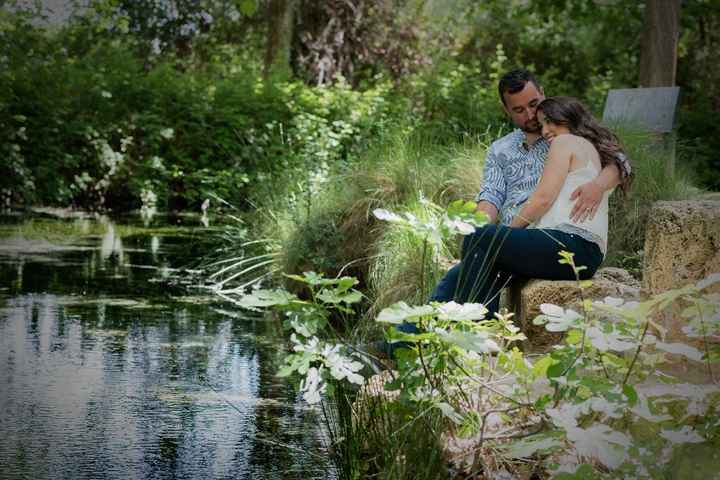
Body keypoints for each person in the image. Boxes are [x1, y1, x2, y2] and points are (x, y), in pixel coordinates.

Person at [430, 95, 632, 315]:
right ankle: (408, 339)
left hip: (571, 243)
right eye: (542, 123)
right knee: (467, 270)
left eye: (549, 121)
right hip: (580, 250)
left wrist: (504, 234)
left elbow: (542, 199)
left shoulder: (566, 142)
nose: (545, 131)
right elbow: (621, 162)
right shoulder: (593, 150)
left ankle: (477, 333)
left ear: (566, 116)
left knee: (478, 237)